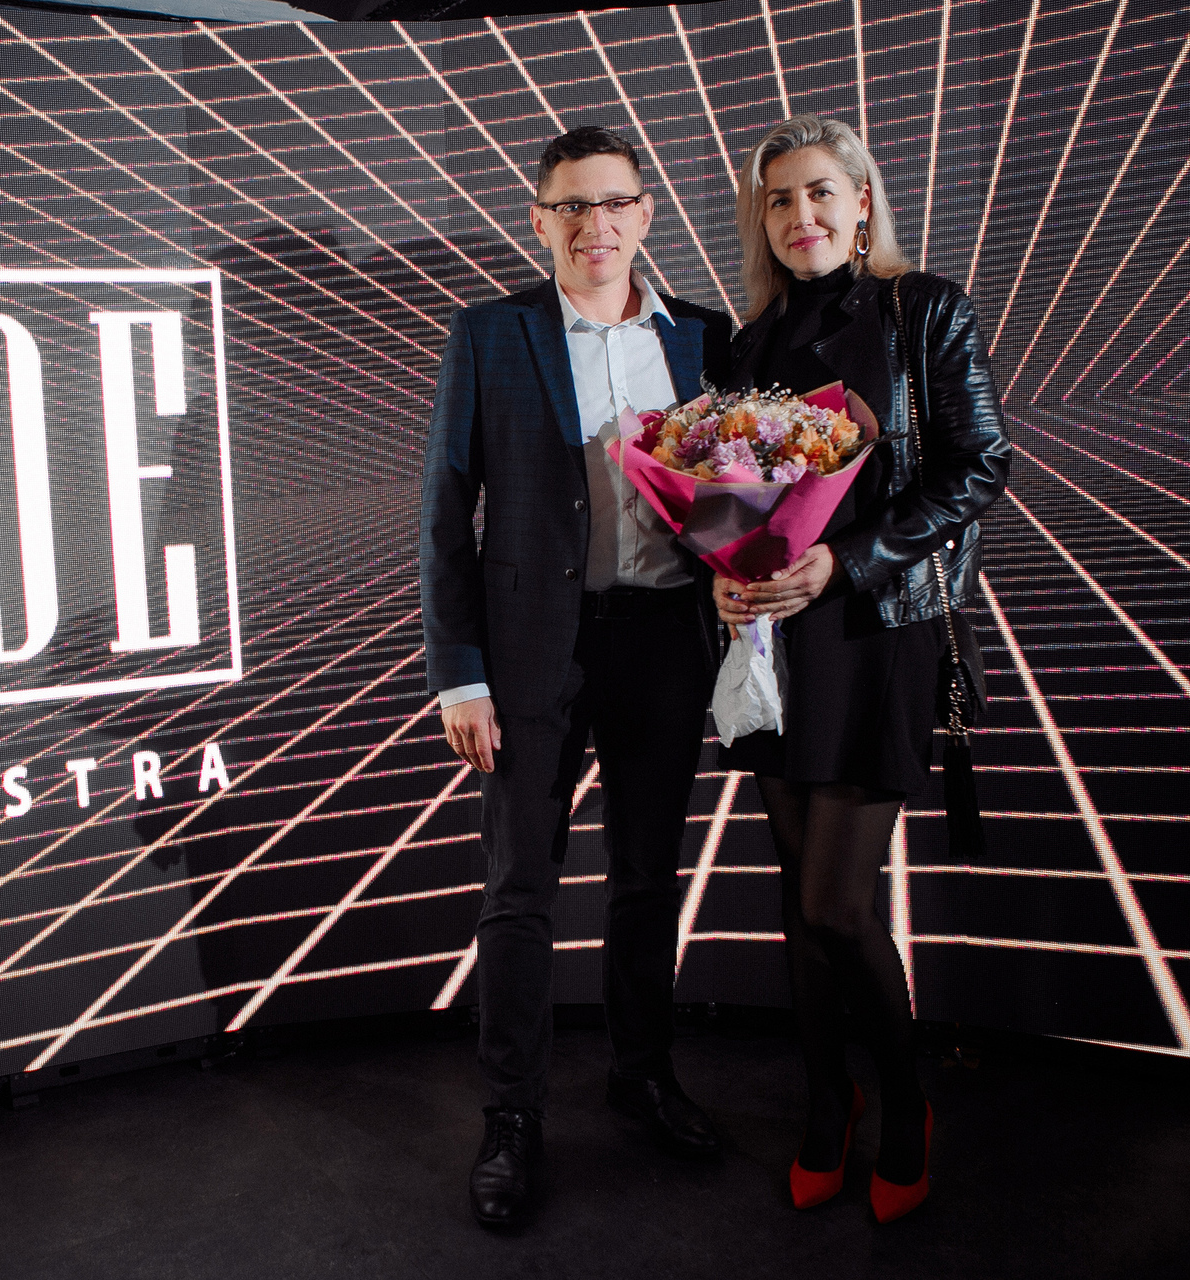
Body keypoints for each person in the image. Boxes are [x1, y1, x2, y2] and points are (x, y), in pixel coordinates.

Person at [420, 125, 732, 1229]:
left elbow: (737, 487)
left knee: (649, 878)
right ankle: (512, 1115)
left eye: (613, 204)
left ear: (645, 214)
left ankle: (642, 1075)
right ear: (540, 221)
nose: (594, 225)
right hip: (529, 652)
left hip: (664, 642)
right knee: (519, 889)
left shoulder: (704, 337)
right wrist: (460, 675)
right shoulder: (490, 333)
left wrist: (747, 577)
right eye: (570, 207)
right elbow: (445, 510)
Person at [716, 114, 1011, 1222]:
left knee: (837, 904)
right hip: (777, 645)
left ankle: (903, 1103)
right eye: (780, 200)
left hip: (880, 632)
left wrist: (846, 561)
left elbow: (979, 464)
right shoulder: (748, 346)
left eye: (820, 192)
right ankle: (824, 1103)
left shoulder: (923, 308)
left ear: (863, 201)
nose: (801, 216)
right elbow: (728, 501)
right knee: (799, 909)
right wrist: (725, 577)